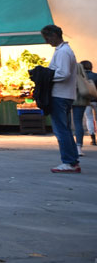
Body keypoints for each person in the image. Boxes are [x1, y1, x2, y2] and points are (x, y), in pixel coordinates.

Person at [42, 25, 80, 173]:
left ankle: (68, 161)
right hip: (65, 95)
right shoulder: (65, 51)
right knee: (65, 129)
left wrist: (47, 78)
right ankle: (72, 160)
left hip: (59, 95)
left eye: (47, 38)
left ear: (54, 36)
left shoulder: (63, 52)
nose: (47, 42)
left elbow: (63, 74)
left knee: (61, 130)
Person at [82, 61, 97, 147]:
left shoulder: (81, 77)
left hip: (86, 100)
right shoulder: (96, 76)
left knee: (89, 118)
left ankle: (93, 138)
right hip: (96, 100)